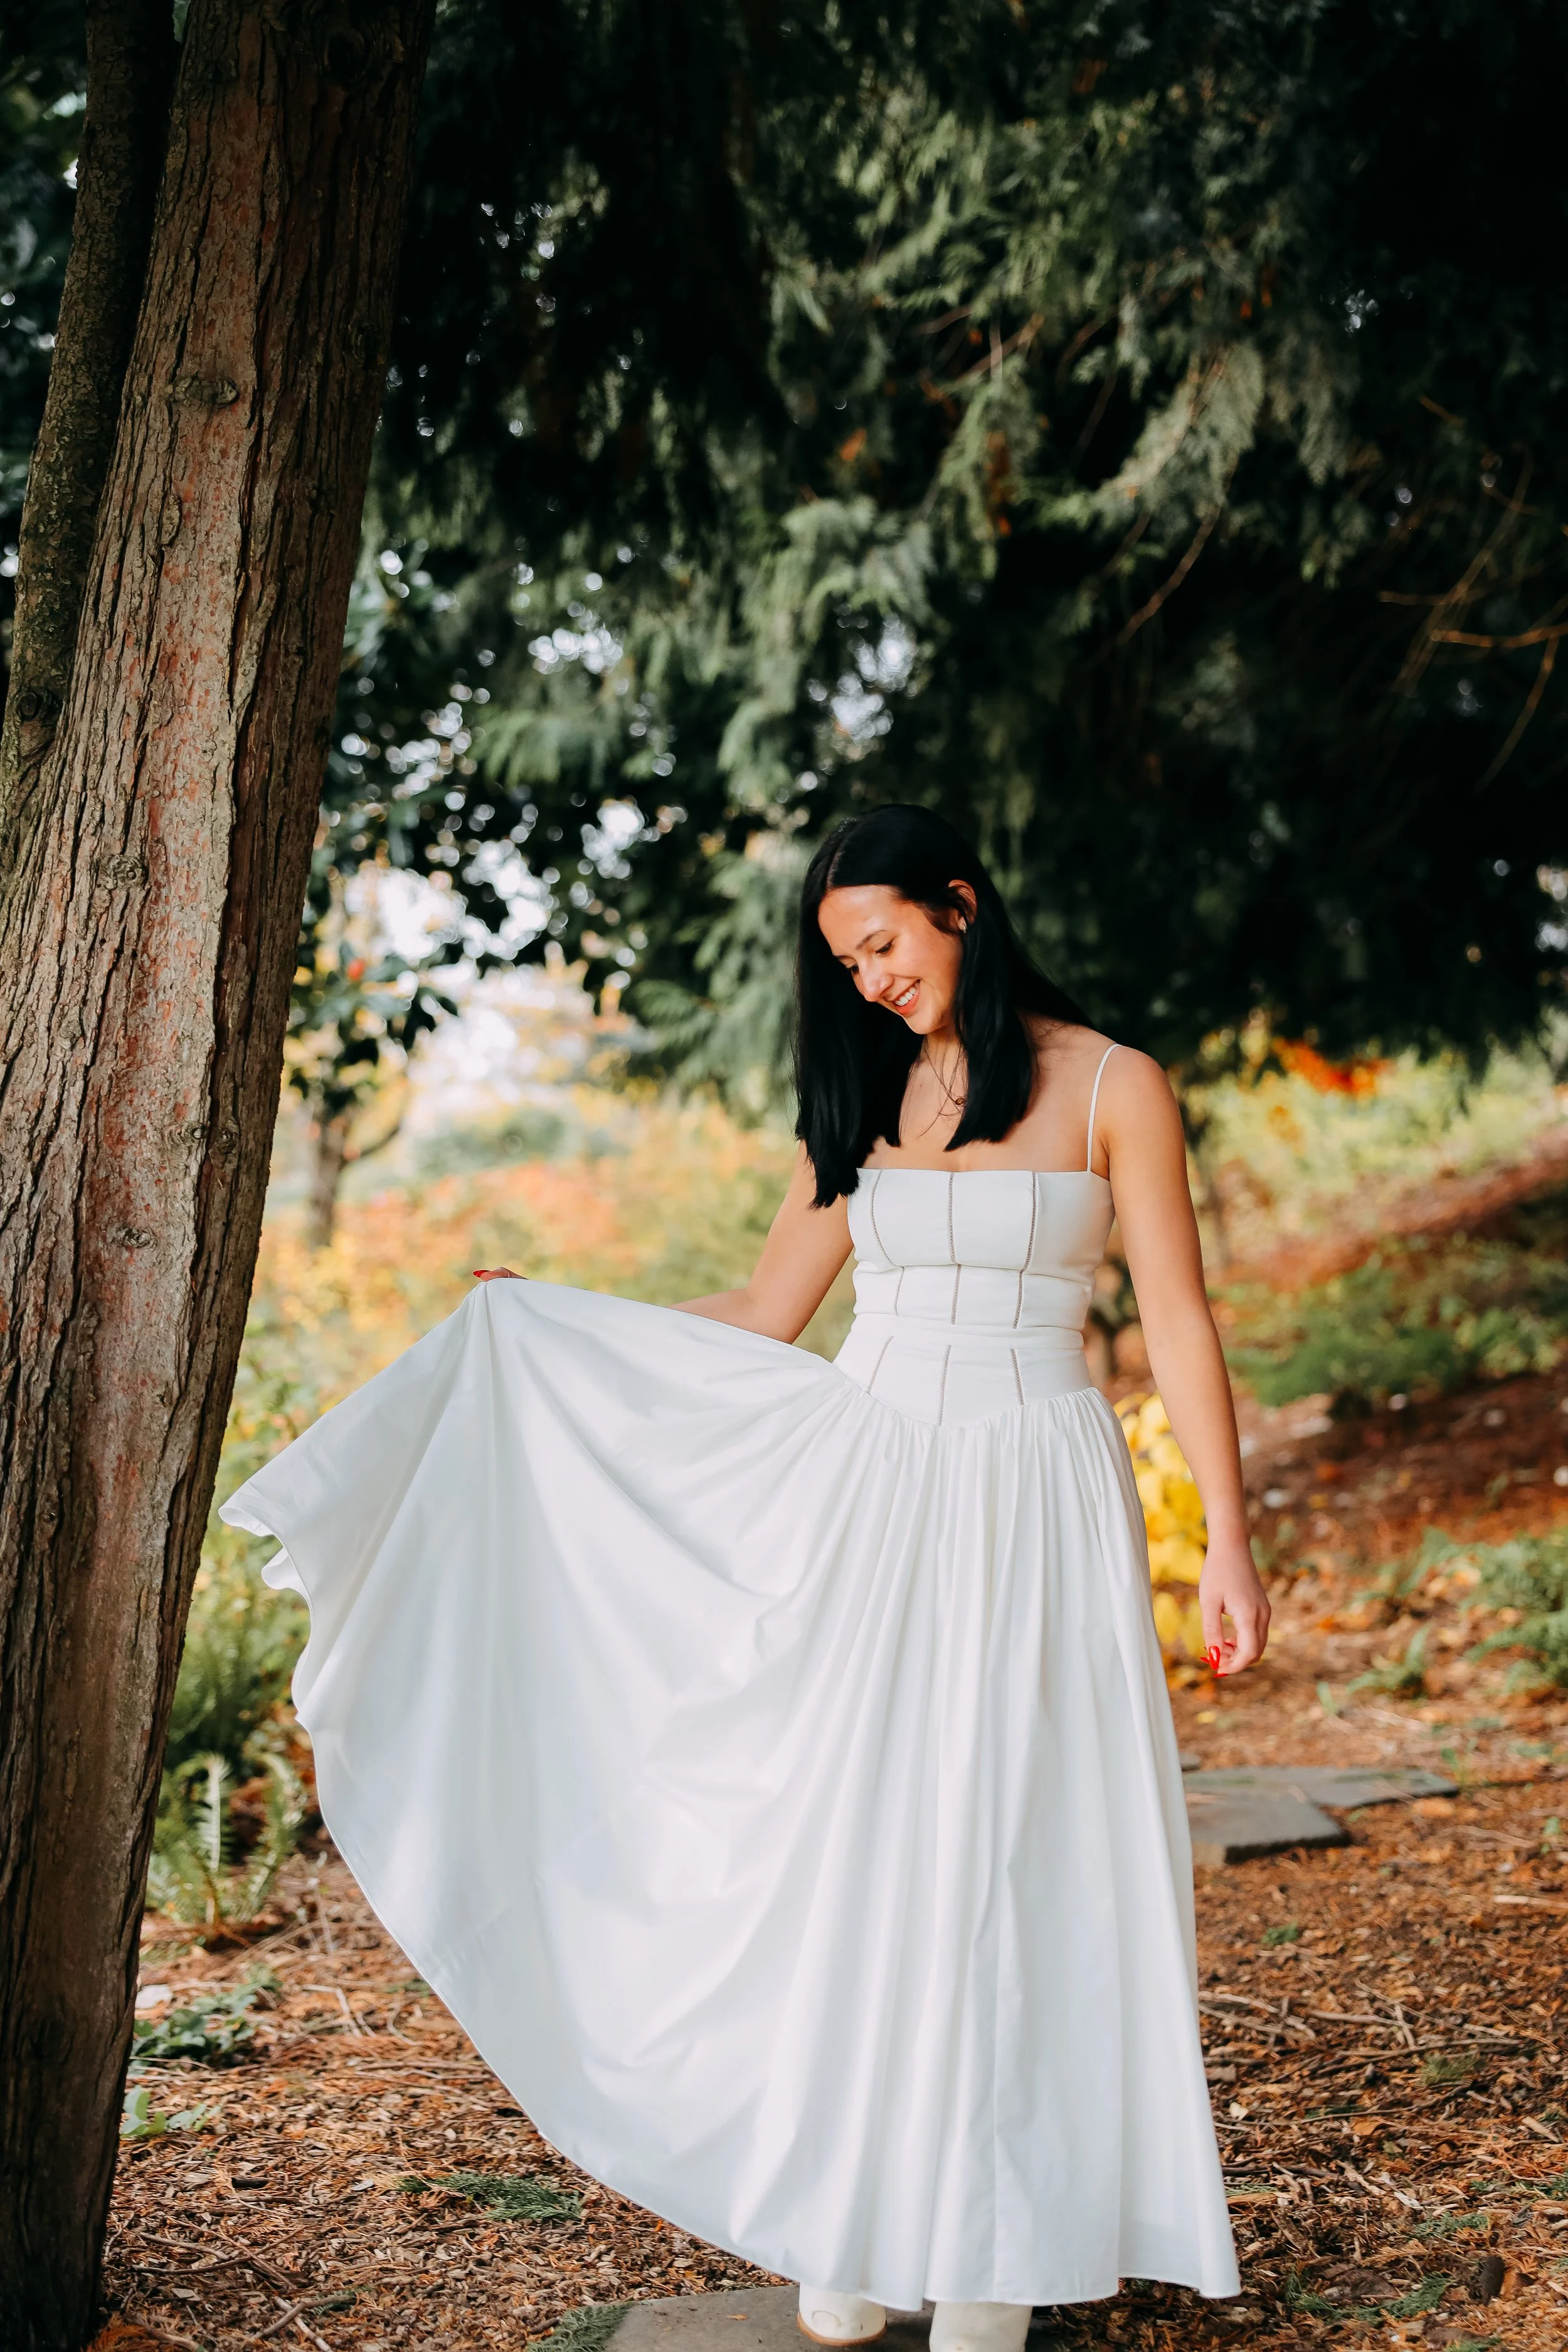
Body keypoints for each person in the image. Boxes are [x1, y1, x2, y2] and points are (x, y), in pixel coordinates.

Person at [223, 805, 1268, 2352]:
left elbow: (1177, 1321)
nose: (868, 980)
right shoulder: (856, 1092)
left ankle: (989, 2247)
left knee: (1014, 1835)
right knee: (860, 1833)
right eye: (844, 960)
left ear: (960, 909)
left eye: (886, 944)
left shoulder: (1116, 1085)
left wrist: (1229, 1543)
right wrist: (557, 1316)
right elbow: (770, 1307)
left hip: (1038, 1485)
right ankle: (852, 2212)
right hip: (878, 1478)